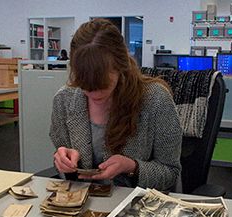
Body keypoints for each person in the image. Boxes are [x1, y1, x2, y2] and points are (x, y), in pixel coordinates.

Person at [50, 19, 182, 191]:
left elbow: (171, 173)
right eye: (84, 85)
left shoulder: (155, 99)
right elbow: (64, 171)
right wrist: (62, 161)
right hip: (82, 205)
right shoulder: (64, 100)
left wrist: (132, 167)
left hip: (139, 208)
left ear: (121, 67)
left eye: (102, 85)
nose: (94, 94)